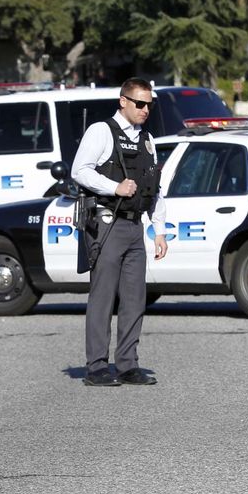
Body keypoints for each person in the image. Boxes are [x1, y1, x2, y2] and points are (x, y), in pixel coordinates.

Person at [72, 77, 169, 387]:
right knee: (103, 298)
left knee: (134, 299)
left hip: (134, 225)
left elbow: (155, 188)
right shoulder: (101, 131)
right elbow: (80, 170)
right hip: (108, 222)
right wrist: (114, 187)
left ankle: (127, 364)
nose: (145, 109)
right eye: (139, 103)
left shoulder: (147, 140)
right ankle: (97, 366)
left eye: (149, 105)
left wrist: (160, 229)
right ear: (123, 101)